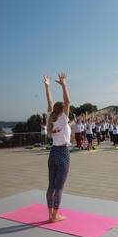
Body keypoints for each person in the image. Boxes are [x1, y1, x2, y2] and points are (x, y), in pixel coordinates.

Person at [44, 73, 71, 222]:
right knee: (59, 187)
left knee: (51, 186)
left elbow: (49, 101)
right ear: (63, 110)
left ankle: (49, 214)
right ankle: (55, 215)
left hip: (53, 153)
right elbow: (68, 101)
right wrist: (64, 85)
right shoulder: (63, 118)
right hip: (63, 153)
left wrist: (47, 86)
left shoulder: (50, 117)